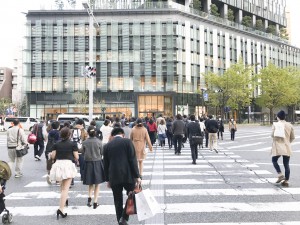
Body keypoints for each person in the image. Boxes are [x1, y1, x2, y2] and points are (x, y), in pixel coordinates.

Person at [103, 128, 142, 225]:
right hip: (128, 175)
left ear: (112, 135)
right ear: (123, 134)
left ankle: (120, 220)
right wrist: (137, 176)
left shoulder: (107, 146)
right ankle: (124, 217)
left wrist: (108, 179)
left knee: (117, 199)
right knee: (132, 196)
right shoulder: (128, 142)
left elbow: (105, 164)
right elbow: (133, 160)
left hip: (114, 176)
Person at [49, 127, 79, 219]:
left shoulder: (56, 144)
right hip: (68, 165)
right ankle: (61, 208)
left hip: (58, 164)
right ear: (69, 134)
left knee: (62, 188)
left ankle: (64, 202)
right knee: (66, 189)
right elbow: (76, 156)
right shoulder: (73, 144)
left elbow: (53, 156)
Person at [81, 126, 105, 209]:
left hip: (88, 163)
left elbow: (82, 152)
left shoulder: (84, 142)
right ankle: (95, 202)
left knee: (90, 183)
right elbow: (102, 152)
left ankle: (89, 198)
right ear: (95, 133)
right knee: (97, 184)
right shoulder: (99, 142)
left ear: (88, 133)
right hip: (97, 162)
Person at [271, 110, 295, 187]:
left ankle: (280, 174)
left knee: (274, 160)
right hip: (287, 146)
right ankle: (286, 180)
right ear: (284, 117)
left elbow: (272, 135)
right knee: (286, 164)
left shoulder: (275, 125)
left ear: (278, 117)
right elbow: (292, 137)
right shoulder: (290, 125)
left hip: (278, 146)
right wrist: (288, 142)